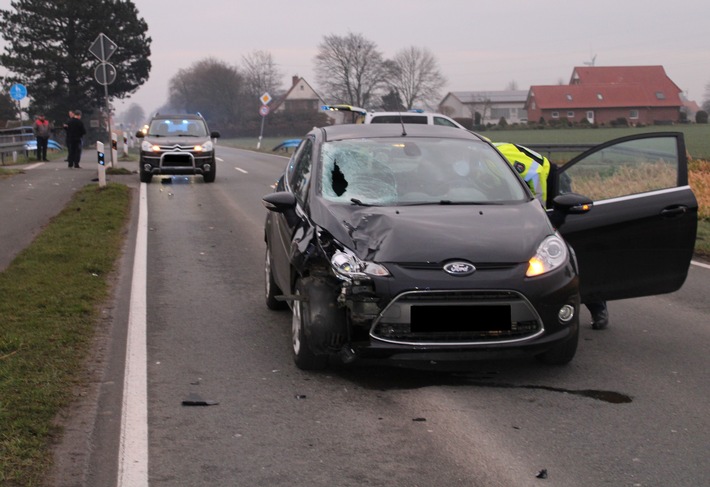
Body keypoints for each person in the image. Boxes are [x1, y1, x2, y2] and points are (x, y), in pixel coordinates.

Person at [495, 141, 610, 330]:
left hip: (550, 180)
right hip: (531, 188)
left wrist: (541, 223)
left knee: (562, 246)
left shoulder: (497, 161)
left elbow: (537, 188)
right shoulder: (479, 161)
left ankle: (598, 307)